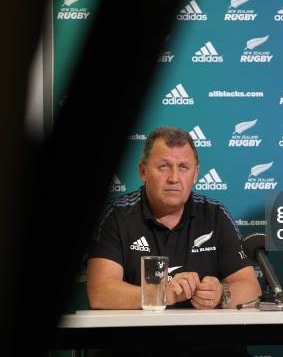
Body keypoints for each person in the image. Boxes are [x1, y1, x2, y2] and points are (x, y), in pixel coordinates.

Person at [86, 126, 261, 311]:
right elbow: (100, 293)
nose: (174, 178)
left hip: (204, 337)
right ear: (143, 171)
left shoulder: (215, 215)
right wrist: (161, 293)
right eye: (164, 166)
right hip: (138, 338)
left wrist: (221, 294)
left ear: (195, 174)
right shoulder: (116, 216)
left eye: (183, 167)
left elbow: (252, 289)